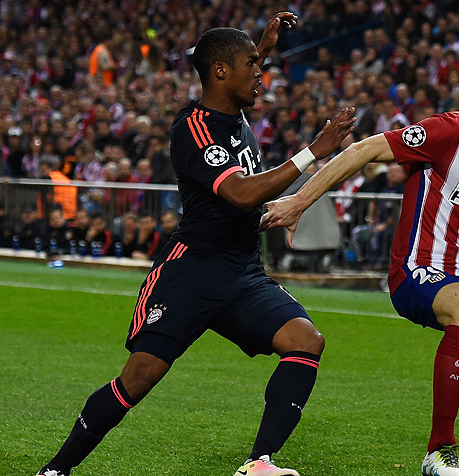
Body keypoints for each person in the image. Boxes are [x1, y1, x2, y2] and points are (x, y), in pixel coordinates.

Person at [36, 16, 356, 476]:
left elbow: (230, 74)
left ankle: (259, 463)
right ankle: (56, 470)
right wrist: (313, 152)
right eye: (253, 65)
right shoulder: (195, 128)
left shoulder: (234, 111)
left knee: (306, 341)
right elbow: (240, 193)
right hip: (191, 273)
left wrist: (262, 47)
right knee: (139, 377)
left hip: (241, 272)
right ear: (221, 73)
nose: (261, 74)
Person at [261, 45, 459, 476]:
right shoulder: (447, 131)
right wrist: (300, 201)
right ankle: (438, 452)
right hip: (417, 269)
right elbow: (362, 150)